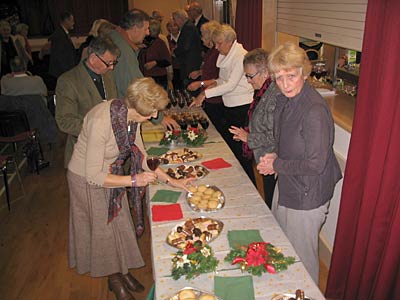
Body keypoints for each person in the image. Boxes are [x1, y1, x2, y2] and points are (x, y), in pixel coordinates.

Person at [67, 77, 193, 300]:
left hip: (111, 175)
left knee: (120, 225)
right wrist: (133, 180)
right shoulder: (101, 120)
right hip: (86, 179)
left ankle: (121, 273)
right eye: (151, 112)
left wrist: (174, 181)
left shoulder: (130, 118)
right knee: (104, 233)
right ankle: (115, 279)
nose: (154, 116)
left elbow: (143, 157)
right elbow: (93, 175)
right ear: (137, 107)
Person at [257, 42, 342, 283]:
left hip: (307, 193)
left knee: (303, 260)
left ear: (304, 71)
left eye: (291, 76)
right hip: (289, 183)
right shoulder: (286, 100)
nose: (285, 84)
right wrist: (275, 156)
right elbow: (287, 141)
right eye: (279, 77)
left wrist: (276, 165)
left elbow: (315, 165)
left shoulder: (314, 110)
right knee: (282, 244)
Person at [191, 24, 254, 185]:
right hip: (230, 106)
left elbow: (231, 85)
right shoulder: (228, 54)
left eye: (219, 43)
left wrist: (205, 94)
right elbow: (223, 80)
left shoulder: (241, 56)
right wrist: (208, 85)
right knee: (232, 149)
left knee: (242, 153)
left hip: (242, 107)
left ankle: (248, 185)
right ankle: (235, 181)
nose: (216, 47)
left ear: (230, 41)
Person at [228, 48, 280, 208]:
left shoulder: (275, 96)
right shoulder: (264, 91)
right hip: (263, 156)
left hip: (271, 160)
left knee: (270, 202)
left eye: (250, 76)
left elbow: (275, 137)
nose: (248, 81)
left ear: (265, 72)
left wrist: (248, 137)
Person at [109, 9, 178, 130]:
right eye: (146, 29)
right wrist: (160, 118)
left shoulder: (115, 37)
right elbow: (135, 88)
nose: (147, 33)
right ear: (135, 28)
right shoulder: (124, 52)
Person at [55, 36, 119, 167]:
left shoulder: (108, 74)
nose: (112, 68)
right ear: (93, 59)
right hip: (83, 155)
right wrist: (99, 131)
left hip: (110, 154)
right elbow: (64, 121)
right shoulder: (68, 81)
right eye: (109, 63)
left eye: (113, 63)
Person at [187, 20, 225, 134]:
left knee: (214, 129)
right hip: (208, 96)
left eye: (203, 35)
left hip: (215, 98)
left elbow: (218, 79)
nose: (201, 38)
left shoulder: (217, 53)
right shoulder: (211, 51)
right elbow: (210, 69)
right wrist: (199, 72)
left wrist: (200, 83)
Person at [172, 9, 202, 90]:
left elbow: (185, 46)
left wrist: (175, 52)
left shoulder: (188, 28)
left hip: (190, 65)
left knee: (190, 89)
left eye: (175, 19)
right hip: (190, 63)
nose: (175, 22)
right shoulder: (188, 26)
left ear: (180, 19)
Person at [138, 19, 171, 90]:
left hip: (158, 78)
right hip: (144, 76)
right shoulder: (141, 42)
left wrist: (155, 63)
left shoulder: (160, 43)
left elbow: (168, 61)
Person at [48, 11, 78, 79]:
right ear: (66, 21)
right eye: (72, 20)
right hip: (61, 72)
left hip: (64, 71)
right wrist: (68, 73)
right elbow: (59, 56)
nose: (74, 23)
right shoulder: (59, 35)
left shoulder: (63, 33)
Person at [166, 19, 181, 90]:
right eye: (170, 26)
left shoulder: (184, 37)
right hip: (173, 67)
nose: (173, 28)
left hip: (184, 66)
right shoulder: (166, 39)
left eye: (175, 25)